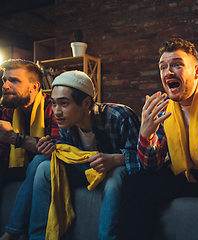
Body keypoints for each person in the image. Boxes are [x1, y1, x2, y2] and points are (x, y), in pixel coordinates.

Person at [118, 38, 198, 239]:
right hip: (182, 174)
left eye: (177, 65)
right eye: (163, 67)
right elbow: (152, 166)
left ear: (197, 71)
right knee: (136, 183)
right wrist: (145, 136)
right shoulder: (162, 107)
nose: (168, 72)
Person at [14, 70, 140, 240]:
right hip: (88, 168)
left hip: (115, 170)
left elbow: (144, 157)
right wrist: (54, 149)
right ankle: (36, 236)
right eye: (54, 104)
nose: (57, 112)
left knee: (114, 178)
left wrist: (114, 159)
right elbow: (73, 155)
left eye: (64, 103)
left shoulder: (120, 116)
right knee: (43, 165)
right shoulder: (66, 123)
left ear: (86, 102)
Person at [0, 59, 60, 240]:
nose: (6, 86)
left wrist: (14, 138)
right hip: (14, 167)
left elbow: (57, 149)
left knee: (39, 162)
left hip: (42, 168)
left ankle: (11, 234)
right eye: (4, 80)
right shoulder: (8, 110)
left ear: (35, 86)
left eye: (14, 80)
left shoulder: (53, 107)